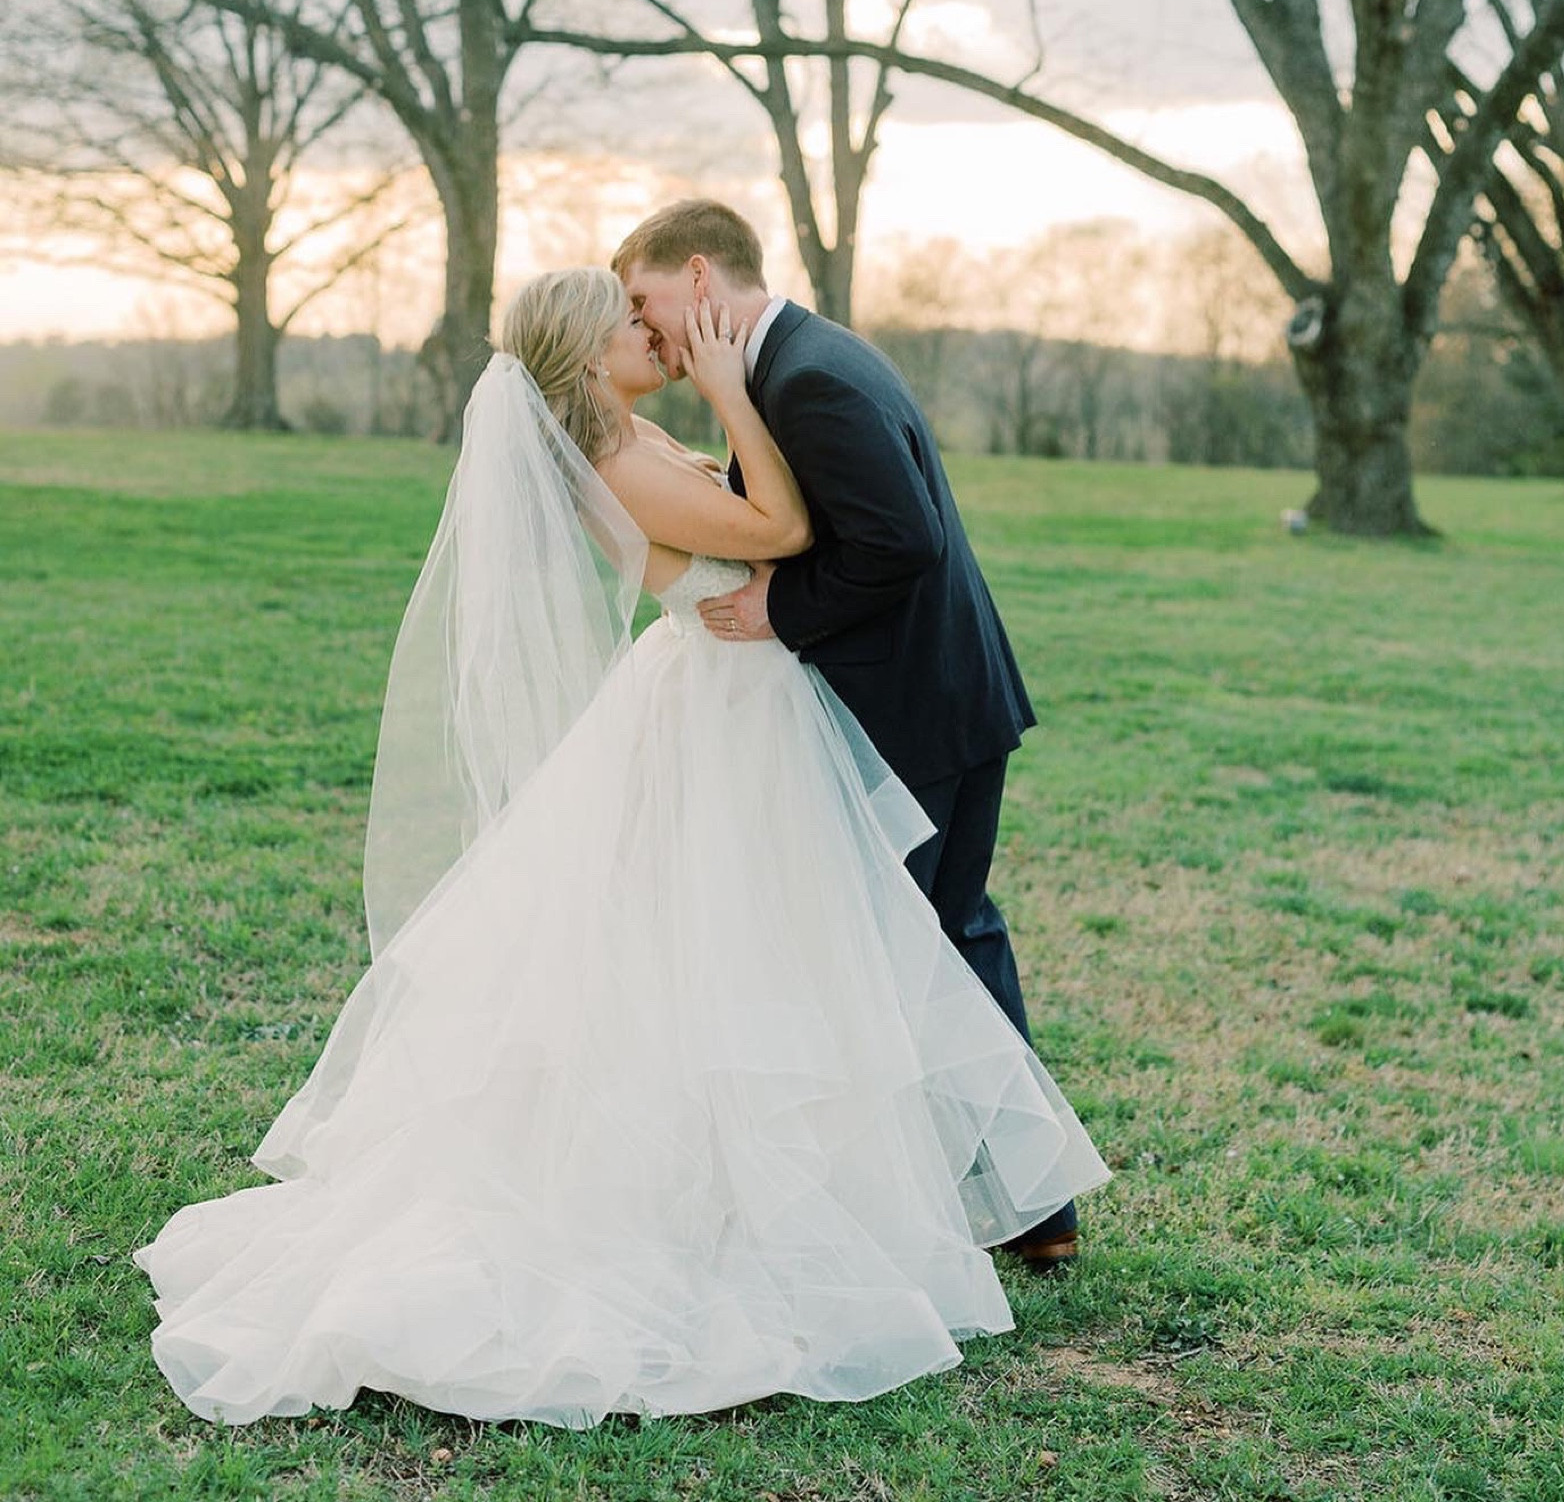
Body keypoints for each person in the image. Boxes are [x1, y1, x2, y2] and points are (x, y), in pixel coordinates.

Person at [135, 267, 1106, 1428]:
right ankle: (734, 1200)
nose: (649, 332)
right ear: (590, 355)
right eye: (628, 322)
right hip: (724, 712)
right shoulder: (617, 463)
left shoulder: (632, 435)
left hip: (741, 708)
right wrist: (734, 388)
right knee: (736, 958)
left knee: (767, 958)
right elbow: (781, 529)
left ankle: (862, 1188)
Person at [614, 200, 1079, 1267]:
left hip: (914, 709)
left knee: (918, 952)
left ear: (698, 275)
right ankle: (1023, 1206)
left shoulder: (806, 379)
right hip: (934, 695)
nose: (645, 328)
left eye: (645, 300)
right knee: (940, 941)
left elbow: (900, 540)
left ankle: (993, 1208)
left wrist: (780, 608)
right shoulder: (796, 359)